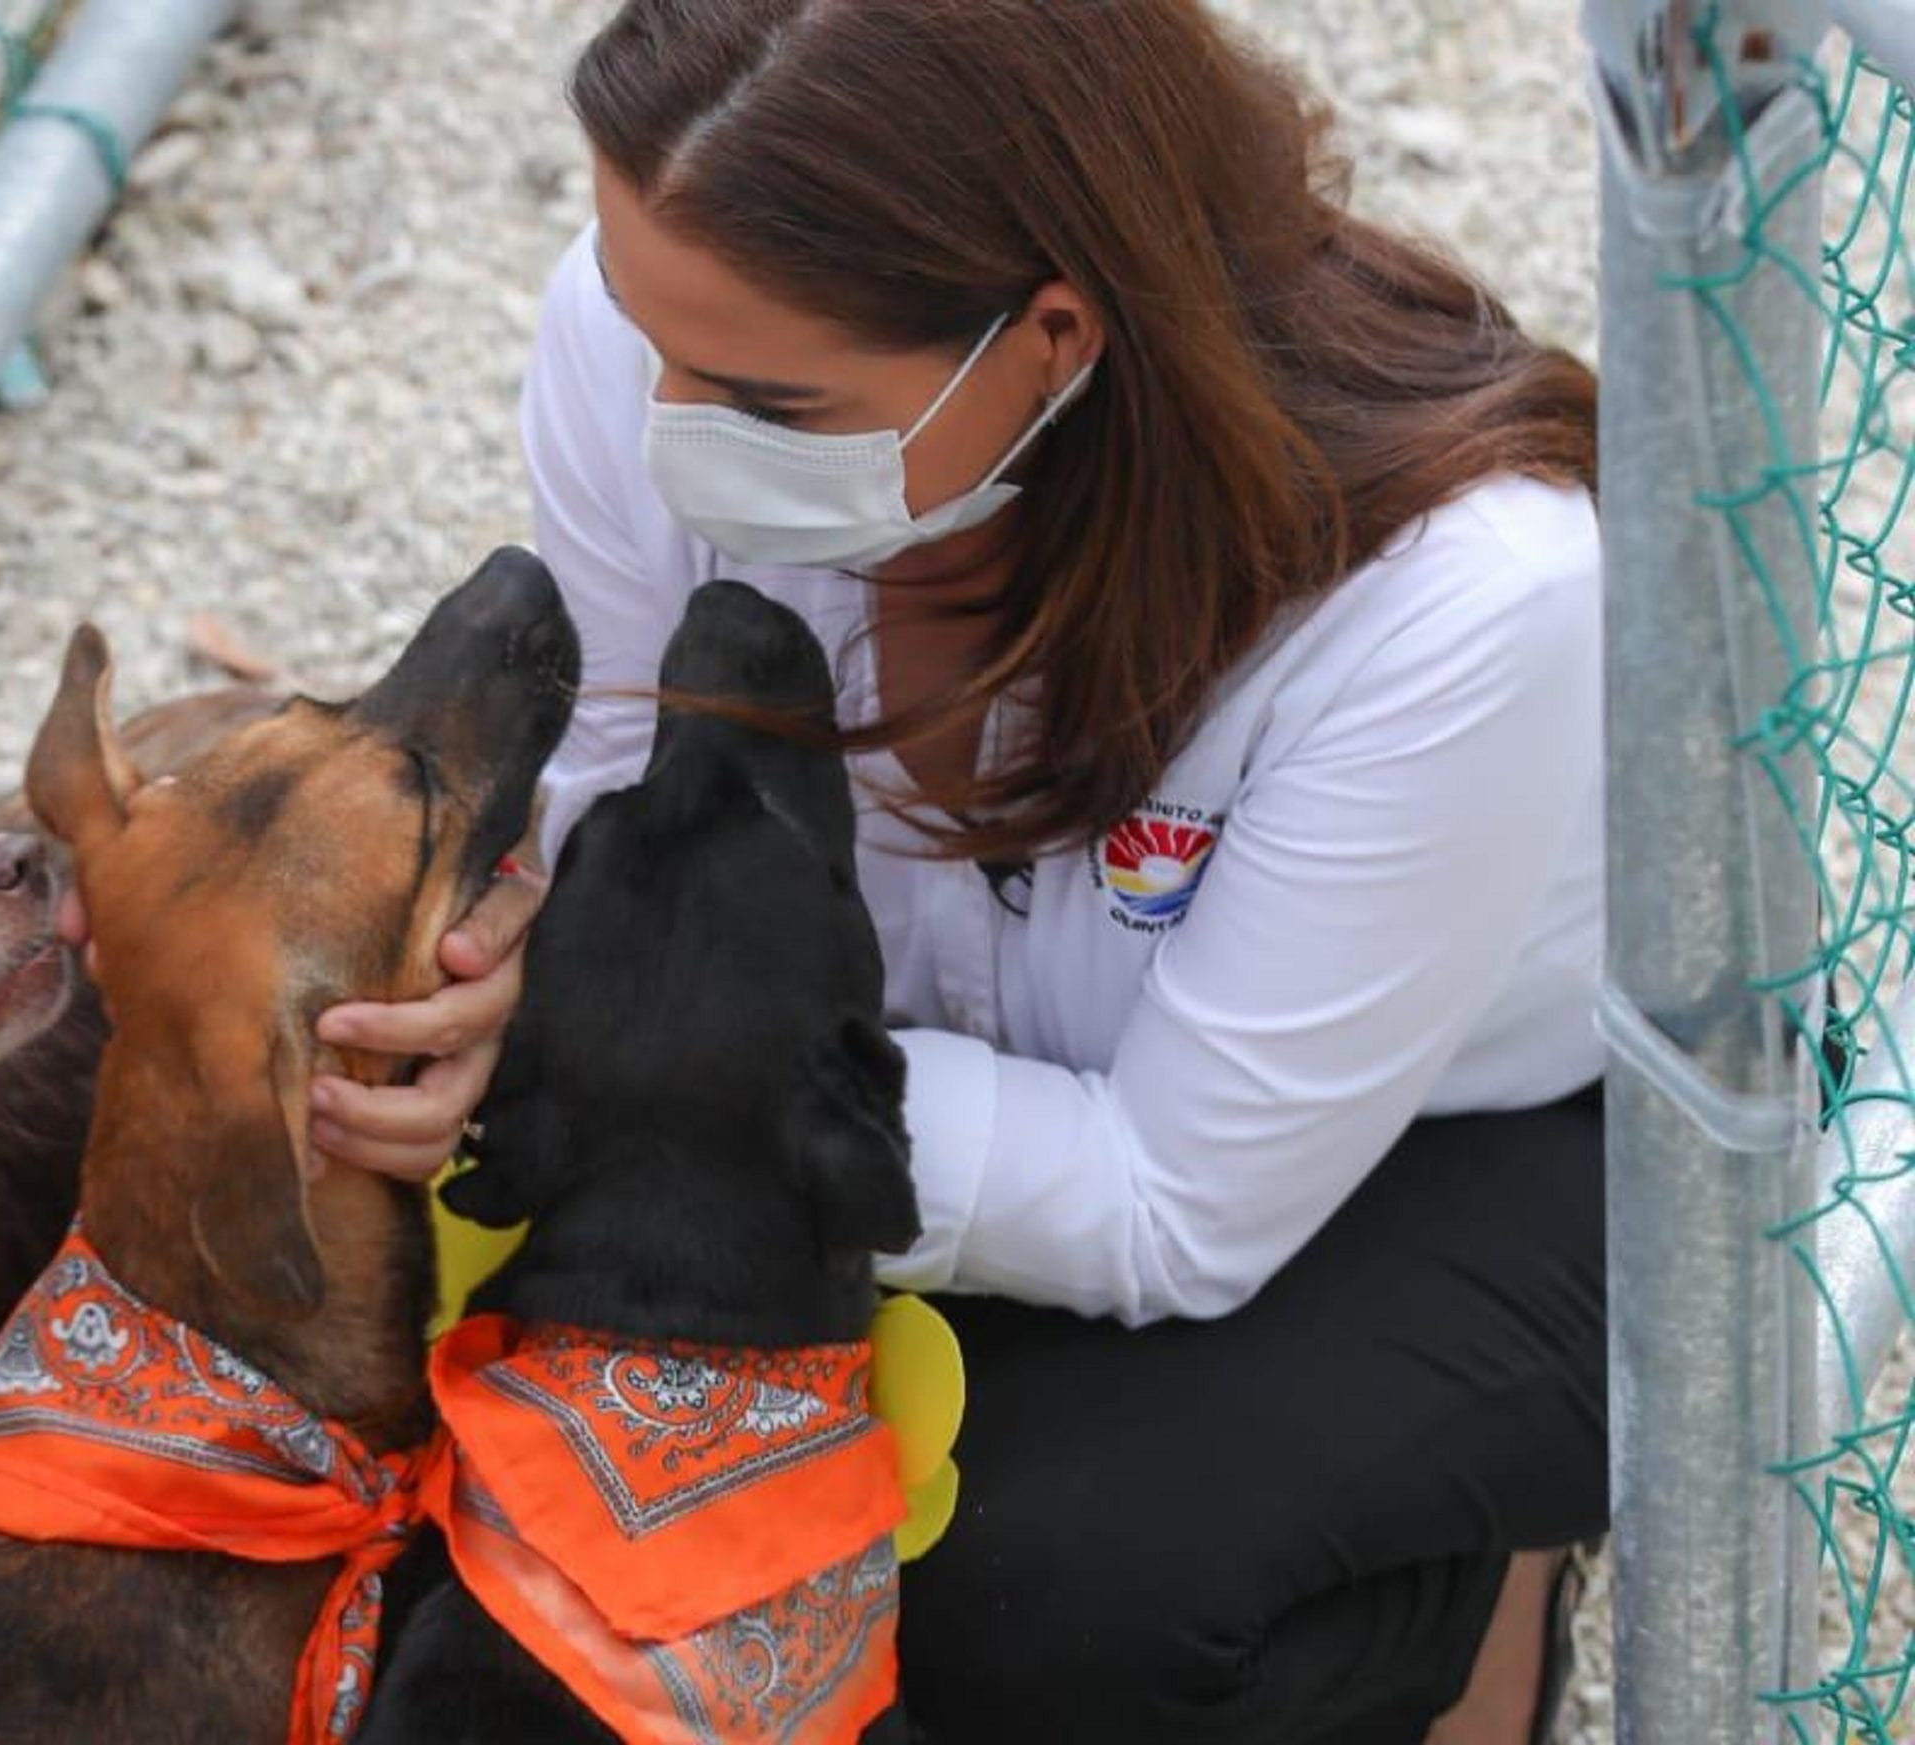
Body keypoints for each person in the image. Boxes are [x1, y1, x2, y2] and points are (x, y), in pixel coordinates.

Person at [298, 2, 1605, 1740]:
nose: (667, 422)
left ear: (1055, 336)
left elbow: (1171, 1202)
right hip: (916, 1099)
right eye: (645, 336)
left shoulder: (1458, 600)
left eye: (767, 397)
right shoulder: (662, 341)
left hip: (1467, 1153)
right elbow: (619, 788)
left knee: (1037, 1600)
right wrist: (503, 1001)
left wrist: (659, 1065)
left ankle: (1478, 1598)